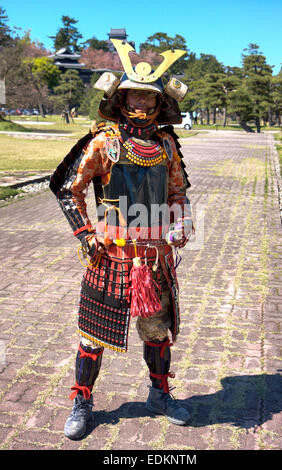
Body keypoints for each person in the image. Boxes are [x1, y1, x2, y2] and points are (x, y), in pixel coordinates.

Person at [50, 39, 194, 440]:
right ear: (121, 96)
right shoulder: (104, 142)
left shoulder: (166, 145)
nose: (143, 105)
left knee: (157, 332)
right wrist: (85, 233)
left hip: (153, 259)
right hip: (111, 257)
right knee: (92, 336)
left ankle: (160, 394)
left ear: (159, 103)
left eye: (150, 98)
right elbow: (67, 188)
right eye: (136, 95)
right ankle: (82, 400)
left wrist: (180, 222)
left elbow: (177, 194)